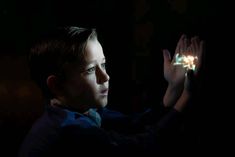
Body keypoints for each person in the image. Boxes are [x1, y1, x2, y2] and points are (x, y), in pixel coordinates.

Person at [18, 26, 204, 156]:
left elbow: (135, 124)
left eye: (103, 64)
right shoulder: (69, 130)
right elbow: (142, 148)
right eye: (91, 70)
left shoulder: (82, 111)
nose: (105, 77)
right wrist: (187, 95)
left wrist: (173, 87)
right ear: (56, 85)